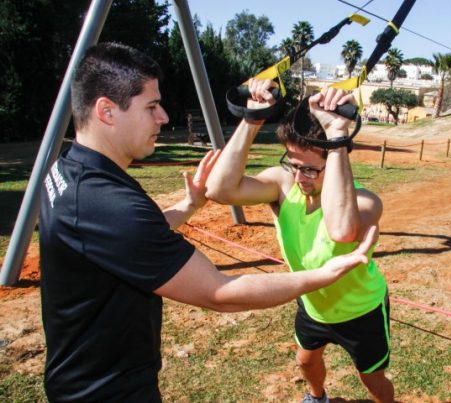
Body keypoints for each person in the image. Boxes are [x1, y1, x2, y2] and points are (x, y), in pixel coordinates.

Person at [38, 42, 377, 403]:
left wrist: (189, 204)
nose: (163, 117)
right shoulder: (105, 203)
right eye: (151, 106)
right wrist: (321, 276)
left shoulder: (71, 170)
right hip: (104, 390)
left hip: (88, 378)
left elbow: (124, 240)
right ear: (107, 111)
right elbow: (221, 293)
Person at [206, 79, 393, 403]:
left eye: (310, 170)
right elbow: (220, 190)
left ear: (338, 156)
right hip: (312, 305)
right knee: (306, 361)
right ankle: (317, 398)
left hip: (361, 310)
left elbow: (341, 230)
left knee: (372, 379)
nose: (299, 178)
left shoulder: (365, 202)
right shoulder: (284, 186)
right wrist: (252, 118)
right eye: (292, 165)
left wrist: (336, 134)